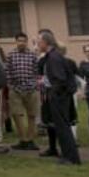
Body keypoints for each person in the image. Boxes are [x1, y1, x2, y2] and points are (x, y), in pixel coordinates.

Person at [36, 31, 80, 165]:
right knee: (61, 127)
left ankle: (70, 157)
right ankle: (69, 156)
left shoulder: (54, 58)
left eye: (39, 41)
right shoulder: (52, 55)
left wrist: (54, 93)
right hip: (59, 95)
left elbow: (60, 79)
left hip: (59, 97)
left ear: (45, 42)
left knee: (63, 128)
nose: (37, 44)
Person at [7, 32, 41, 150]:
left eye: (23, 41)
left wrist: (35, 85)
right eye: (19, 40)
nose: (21, 43)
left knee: (32, 115)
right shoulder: (11, 54)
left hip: (31, 89)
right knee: (17, 114)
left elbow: (37, 71)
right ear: (16, 42)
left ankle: (30, 140)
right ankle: (22, 139)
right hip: (16, 89)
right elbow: (8, 71)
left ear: (26, 42)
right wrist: (11, 85)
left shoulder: (32, 55)